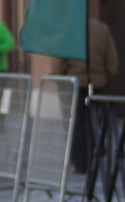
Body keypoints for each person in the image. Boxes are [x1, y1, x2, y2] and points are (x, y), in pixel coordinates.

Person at [49, 18, 119, 174]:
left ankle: (81, 162)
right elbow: (111, 59)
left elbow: (57, 61)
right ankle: (95, 157)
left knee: (75, 122)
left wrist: (57, 77)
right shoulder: (101, 29)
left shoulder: (66, 29)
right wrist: (105, 76)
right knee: (94, 120)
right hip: (97, 83)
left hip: (73, 83)